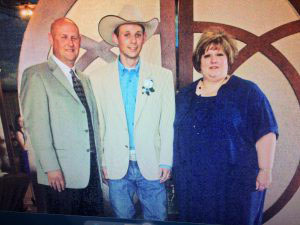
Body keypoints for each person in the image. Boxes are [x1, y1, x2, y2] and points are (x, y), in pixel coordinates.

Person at [173, 28, 278, 225]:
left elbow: (266, 132)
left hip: (237, 185)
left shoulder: (248, 92)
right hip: (194, 186)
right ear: (199, 61)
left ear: (228, 58)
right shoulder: (184, 96)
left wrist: (266, 169)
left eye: (219, 54)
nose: (213, 60)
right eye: (207, 55)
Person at [89, 5, 175, 221]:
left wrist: (166, 160)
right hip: (116, 164)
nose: (133, 40)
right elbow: (99, 123)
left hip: (153, 163)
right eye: (126, 34)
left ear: (144, 38)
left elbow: (167, 122)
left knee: (156, 220)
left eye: (138, 34)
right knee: (122, 221)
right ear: (116, 38)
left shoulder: (162, 76)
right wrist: (103, 162)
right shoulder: (98, 78)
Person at [20, 18, 103, 216]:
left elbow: (93, 123)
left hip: (91, 170)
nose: (70, 42)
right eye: (64, 37)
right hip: (60, 175)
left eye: (74, 38)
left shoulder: (84, 78)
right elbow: (36, 126)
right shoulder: (36, 74)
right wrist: (51, 167)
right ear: (51, 39)